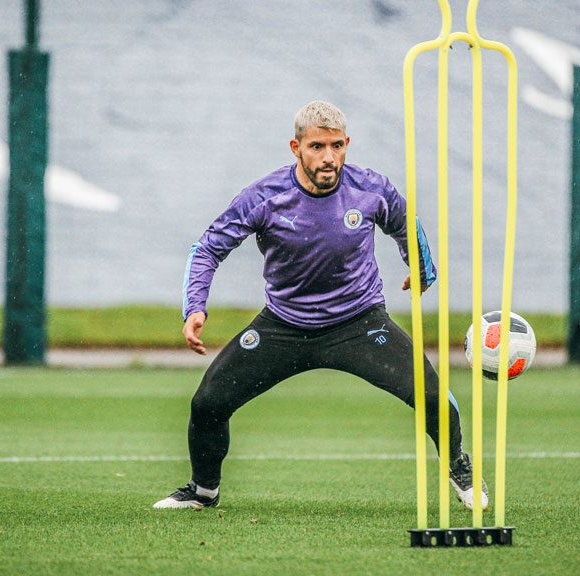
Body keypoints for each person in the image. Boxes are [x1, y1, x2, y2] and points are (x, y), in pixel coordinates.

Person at [153, 101, 486, 510]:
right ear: (296, 147)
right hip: (284, 326)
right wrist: (195, 308)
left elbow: (405, 222)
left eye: (336, 145)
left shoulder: (370, 188)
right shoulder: (265, 196)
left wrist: (421, 266)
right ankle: (203, 491)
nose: (328, 157)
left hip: (359, 323)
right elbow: (206, 249)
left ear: (346, 144)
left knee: (433, 393)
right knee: (207, 403)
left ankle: (459, 468)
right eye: (316, 147)